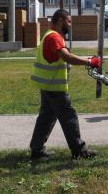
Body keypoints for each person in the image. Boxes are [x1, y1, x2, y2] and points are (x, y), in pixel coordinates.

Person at [29, 9, 101, 161]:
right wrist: (90, 62)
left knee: (46, 118)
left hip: (48, 86)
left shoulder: (48, 35)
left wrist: (87, 59)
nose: (70, 25)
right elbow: (66, 57)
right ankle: (79, 150)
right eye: (69, 21)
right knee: (69, 117)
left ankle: (37, 150)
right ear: (60, 21)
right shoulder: (54, 37)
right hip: (55, 89)